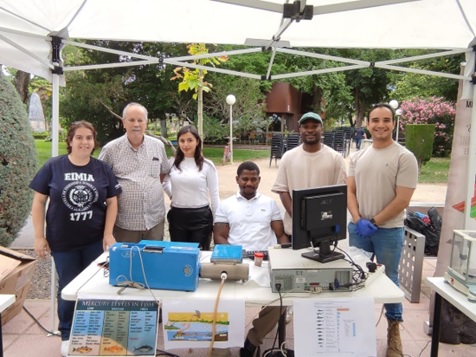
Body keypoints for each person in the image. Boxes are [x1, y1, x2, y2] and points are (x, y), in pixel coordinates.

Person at [30, 121, 121, 356]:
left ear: (94, 141)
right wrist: (39, 237)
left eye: (89, 137)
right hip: (63, 242)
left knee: (97, 288)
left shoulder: (102, 169)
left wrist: (108, 233)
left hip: (94, 241)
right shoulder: (53, 167)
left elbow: (112, 202)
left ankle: (95, 332)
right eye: (79, 137)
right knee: (69, 288)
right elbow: (39, 203)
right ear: (70, 141)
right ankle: (68, 333)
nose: (84, 142)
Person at [347, 103, 418, 357]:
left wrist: (374, 222)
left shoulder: (404, 157)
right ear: (367, 123)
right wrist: (357, 219)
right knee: (356, 278)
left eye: (386, 120)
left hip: (388, 230)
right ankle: (357, 330)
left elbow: (402, 200)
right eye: (375, 120)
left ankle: (394, 332)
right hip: (358, 229)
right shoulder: (357, 156)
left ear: (393, 123)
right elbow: (350, 190)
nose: (380, 125)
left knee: (389, 280)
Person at [213, 161, 290, 357]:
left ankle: (253, 340)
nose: (249, 183)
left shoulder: (270, 203)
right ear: (237, 179)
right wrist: (235, 255)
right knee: (218, 296)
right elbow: (219, 237)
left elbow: (280, 234)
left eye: (253, 179)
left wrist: (283, 256)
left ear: (259, 180)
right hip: (236, 261)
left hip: (264, 260)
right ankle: (223, 343)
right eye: (245, 179)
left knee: (282, 298)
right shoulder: (226, 204)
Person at [98, 102, 170, 242]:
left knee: (153, 261)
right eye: (131, 120)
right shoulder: (110, 149)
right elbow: (100, 180)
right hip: (125, 224)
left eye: (140, 120)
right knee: (127, 262)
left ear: (146, 123)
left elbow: (163, 172)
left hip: (154, 221)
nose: (136, 124)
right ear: (124, 123)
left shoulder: (158, 146)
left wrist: (150, 187)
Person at [271, 112, 347, 237]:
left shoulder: (335, 158)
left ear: (321, 129)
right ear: (300, 130)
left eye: (314, 126)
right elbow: (282, 190)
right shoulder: (288, 157)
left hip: (324, 228)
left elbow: (339, 194)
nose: (310, 130)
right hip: (294, 228)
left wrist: (324, 219)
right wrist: (297, 218)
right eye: (306, 127)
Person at [163, 125, 219, 250]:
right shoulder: (172, 163)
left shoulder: (207, 165)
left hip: (201, 218)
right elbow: (164, 182)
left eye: (190, 140)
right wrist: (172, 195)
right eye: (182, 141)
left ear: (197, 141)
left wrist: (217, 222)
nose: (186, 144)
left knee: (198, 255)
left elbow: (215, 196)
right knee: (178, 255)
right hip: (177, 216)